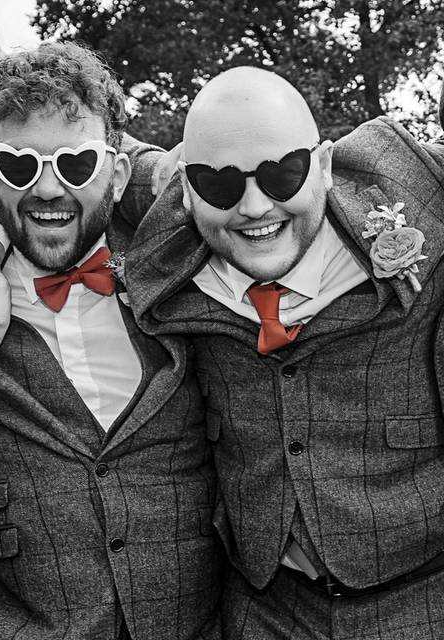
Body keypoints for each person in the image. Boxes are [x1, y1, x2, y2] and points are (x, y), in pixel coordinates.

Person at [0, 42, 221, 640]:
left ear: (117, 170)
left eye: (75, 165)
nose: (48, 189)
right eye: (20, 167)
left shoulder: (184, 266)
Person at [121, 66, 444, 638]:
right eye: (219, 185)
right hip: (264, 612)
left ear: (321, 164)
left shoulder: (415, 198)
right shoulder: (173, 265)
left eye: (281, 174)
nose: (252, 207)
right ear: (187, 190)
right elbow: (56, 156)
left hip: (421, 603)